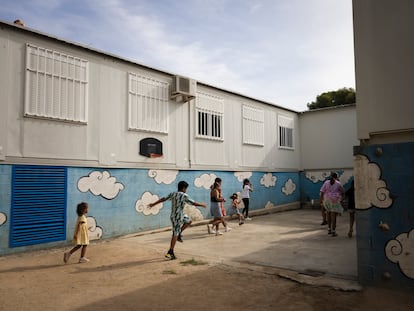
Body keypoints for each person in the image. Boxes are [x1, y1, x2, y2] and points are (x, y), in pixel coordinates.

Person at [149, 181, 206, 260]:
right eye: (186, 188)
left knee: (189, 221)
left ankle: (179, 233)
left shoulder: (173, 194)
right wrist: (202, 205)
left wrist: (153, 204)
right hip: (177, 217)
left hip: (179, 215)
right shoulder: (184, 195)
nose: (186, 190)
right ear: (183, 188)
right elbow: (193, 203)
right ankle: (170, 252)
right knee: (174, 233)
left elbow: (163, 199)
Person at [319, 172, 345, 237]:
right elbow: (343, 192)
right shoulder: (338, 183)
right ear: (336, 177)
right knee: (334, 216)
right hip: (334, 200)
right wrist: (342, 199)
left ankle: (329, 229)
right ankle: (333, 231)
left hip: (327, 200)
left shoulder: (326, 182)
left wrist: (321, 200)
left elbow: (322, 191)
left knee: (328, 215)